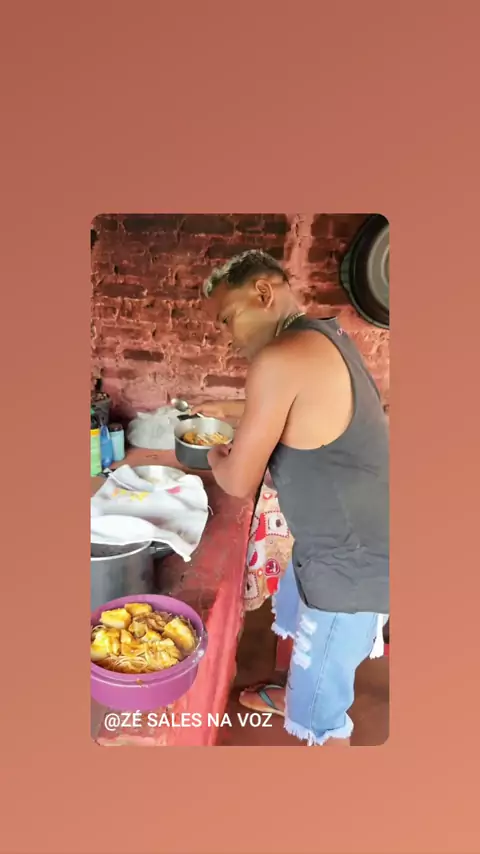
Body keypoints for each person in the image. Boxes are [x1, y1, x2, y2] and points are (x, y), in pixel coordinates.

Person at [194, 249, 389, 747]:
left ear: (263, 293)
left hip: (351, 567)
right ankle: (297, 690)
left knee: (322, 717)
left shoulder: (280, 359)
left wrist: (215, 455)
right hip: (343, 542)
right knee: (300, 626)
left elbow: (237, 482)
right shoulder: (321, 336)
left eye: (228, 318)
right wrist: (225, 409)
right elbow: (290, 410)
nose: (228, 336)